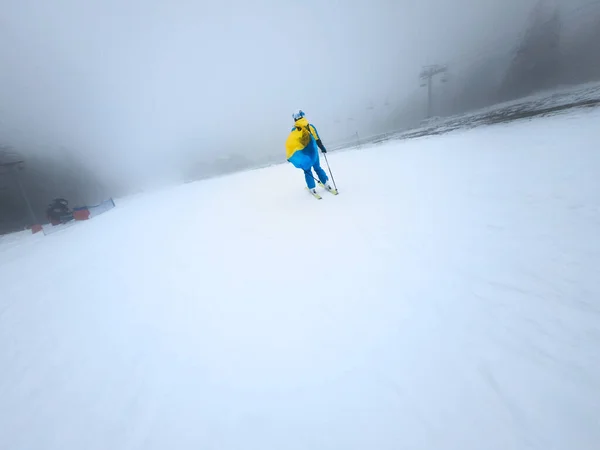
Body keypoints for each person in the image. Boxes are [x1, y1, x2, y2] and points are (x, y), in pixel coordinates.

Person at [285, 110, 335, 195]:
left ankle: (312, 188)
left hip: (304, 154)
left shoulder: (294, 130)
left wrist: (290, 156)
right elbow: (317, 139)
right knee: (317, 168)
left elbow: (292, 145)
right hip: (314, 152)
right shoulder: (311, 126)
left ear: (295, 119)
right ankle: (326, 183)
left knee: (307, 171)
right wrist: (322, 147)